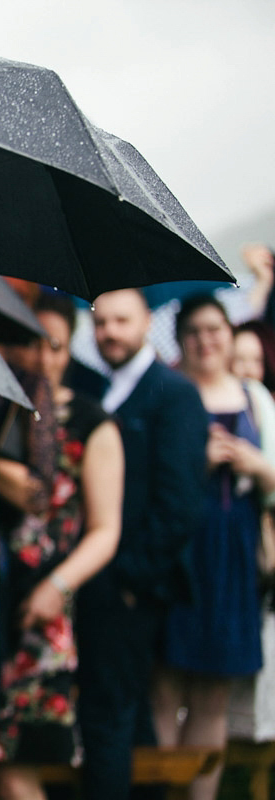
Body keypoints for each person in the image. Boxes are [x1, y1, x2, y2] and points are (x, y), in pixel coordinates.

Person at [76, 287, 209, 800]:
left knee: (109, 716)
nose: (109, 331)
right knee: (125, 719)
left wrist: (127, 578)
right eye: (101, 321)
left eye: (121, 320)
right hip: (97, 582)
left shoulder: (173, 394)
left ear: (146, 322)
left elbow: (181, 506)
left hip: (129, 588)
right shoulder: (93, 390)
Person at [0, 292, 124, 799]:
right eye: (31, 343)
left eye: (56, 345)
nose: (42, 357)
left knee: (17, 757)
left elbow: (106, 530)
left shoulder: (92, 422)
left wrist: (57, 587)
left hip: (45, 606)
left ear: (70, 350)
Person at [151, 294, 275, 800]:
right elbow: (148, 481)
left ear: (230, 333)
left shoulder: (256, 398)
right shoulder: (170, 395)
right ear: (180, 341)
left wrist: (255, 465)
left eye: (214, 329)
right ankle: (158, 792)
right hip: (180, 551)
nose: (206, 340)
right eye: (194, 332)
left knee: (214, 691)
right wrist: (195, 464)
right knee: (165, 684)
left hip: (236, 552)